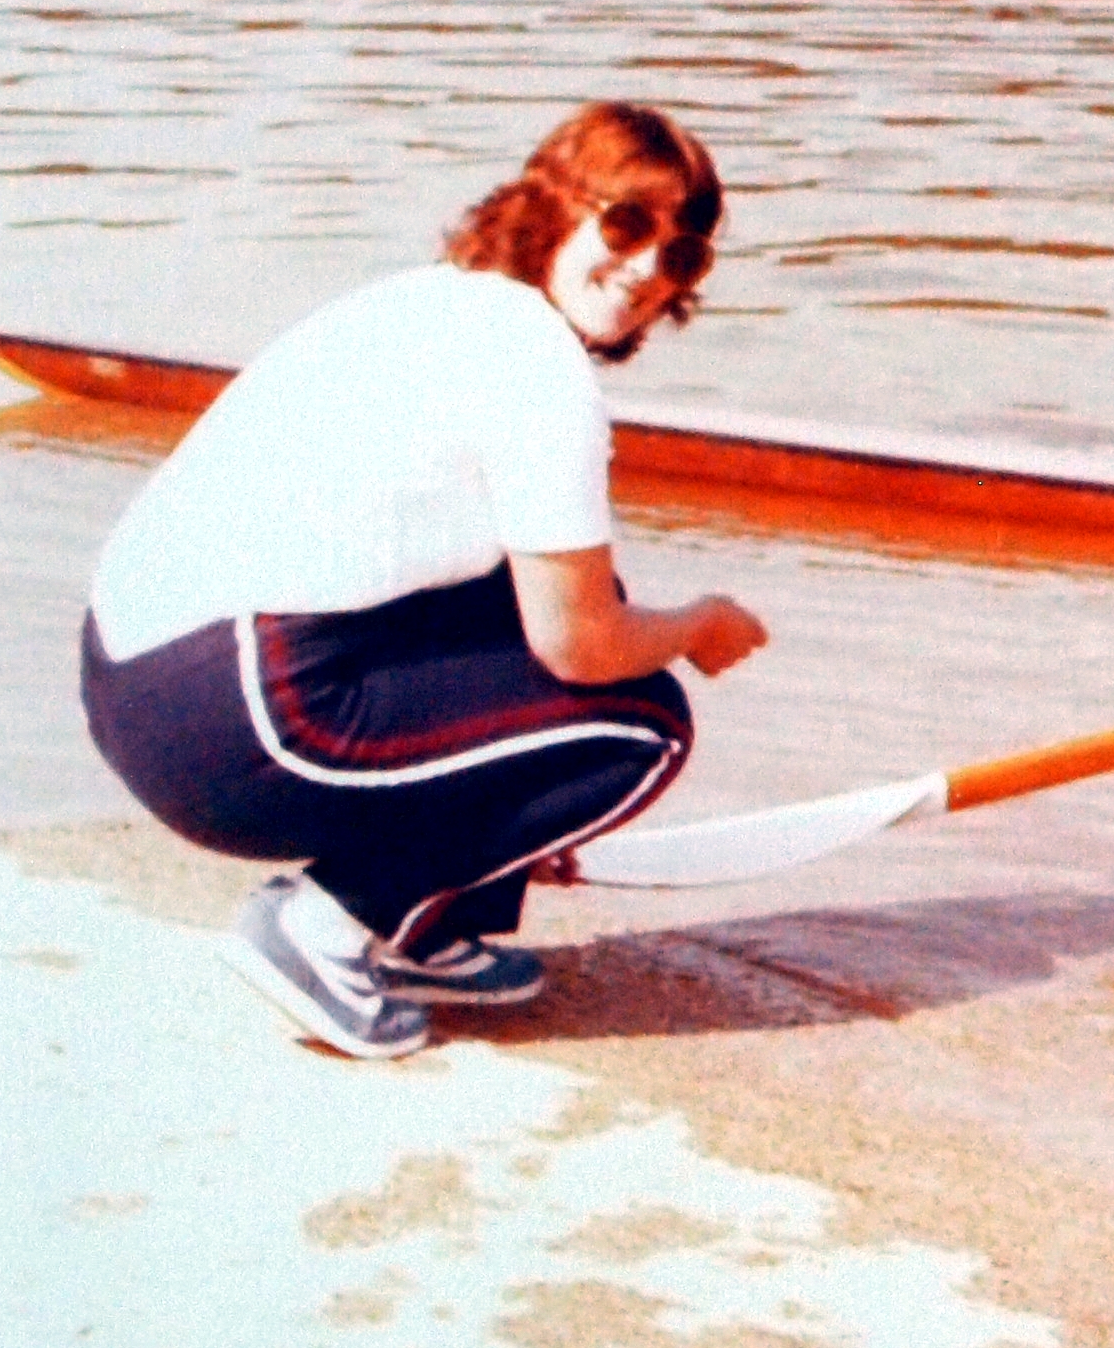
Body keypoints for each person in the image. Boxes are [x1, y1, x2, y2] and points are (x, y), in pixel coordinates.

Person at [79, 102, 768, 1060]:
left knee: (532, 605)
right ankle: (323, 924)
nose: (651, 266)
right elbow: (581, 643)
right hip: (237, 720)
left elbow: (555, 605)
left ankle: (424, 930)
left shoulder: (428, 298)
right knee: (638, 721)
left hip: (130, 684)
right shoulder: (536, 364)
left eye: (684, 254)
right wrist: (697, 623)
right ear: (553, 209)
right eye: (627, 224)